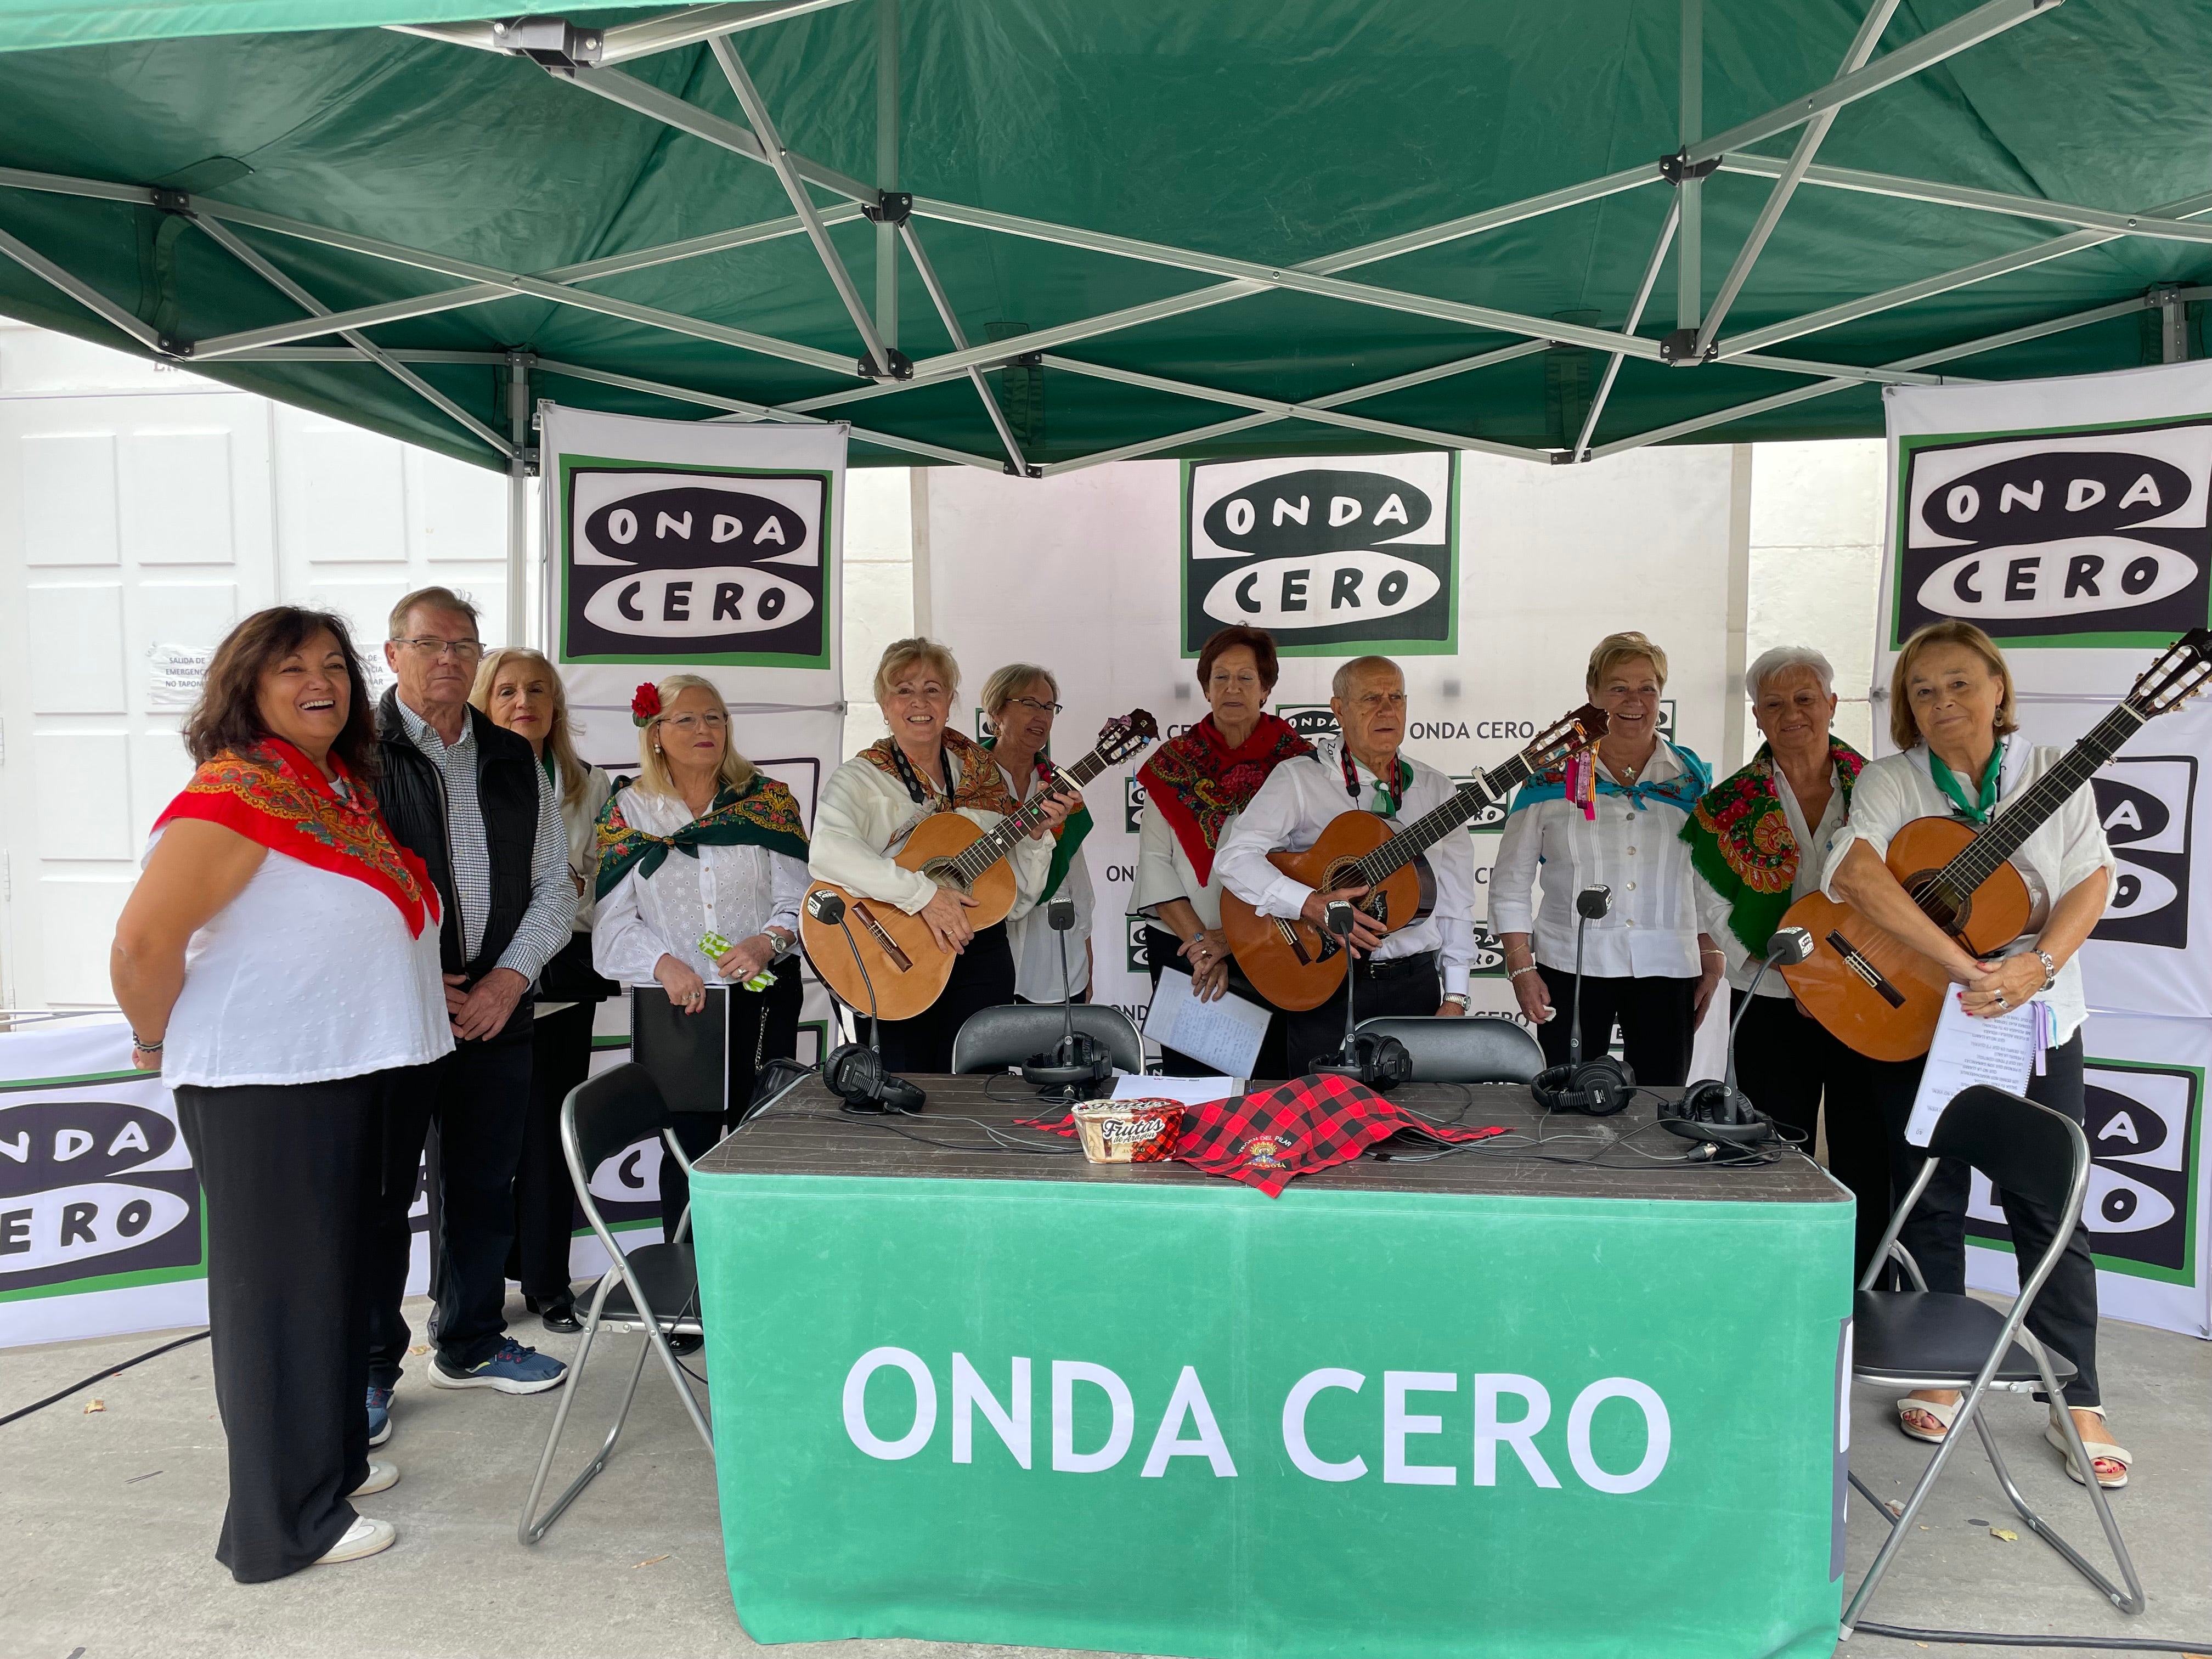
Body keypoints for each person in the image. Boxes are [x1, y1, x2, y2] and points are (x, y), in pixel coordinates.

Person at [110, 607, 450, 1577]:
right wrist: (151, 1035)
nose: (324, 680)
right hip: (273, 1081)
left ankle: (331, 1463)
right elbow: (142, 944)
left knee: (341, 1285)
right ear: (245, 687)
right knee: (284, 1302)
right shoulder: (232, 791)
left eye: (335, 665)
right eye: (293, 666)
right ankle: (279, 1523)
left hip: (356, 1067)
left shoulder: (333, 785)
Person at [1821, 619, 2128, 1487]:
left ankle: (2077, 1396)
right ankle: (1937, 1367)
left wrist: (2036, 963)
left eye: (1959, 682)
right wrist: (1964, 965)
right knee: (1928, 1193)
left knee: (2048, 1201)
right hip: (1922, 1011)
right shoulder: (1889, 780)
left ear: (1999, 687)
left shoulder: (2050, 774)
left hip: (2036, 1016)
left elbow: (2088, 879)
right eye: (1923, 690)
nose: (1943, 701)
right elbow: (1857, 876)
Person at [365, 587, 575, 1439]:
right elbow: (345, 895)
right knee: (379, 1200)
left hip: (498, 1009)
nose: (448, 660)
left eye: (463, 645)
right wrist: (418, 978)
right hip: (393, 1012)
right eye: (428, 644)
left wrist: (509, 981)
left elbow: (556, 888)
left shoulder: (514, 755)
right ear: (392, 654)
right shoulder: (355, 753)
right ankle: (371, 1370)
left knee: (485, 1185)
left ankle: (471, 1342)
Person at [593, 674, 808, 1266]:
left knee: (757, 1145)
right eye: (686, 719)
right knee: (684, 1152)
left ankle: (759, 1278)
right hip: (680, 1010)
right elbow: (611, 924)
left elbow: (801, 900)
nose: (704, 729)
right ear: (655, 733)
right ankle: (688, 1285)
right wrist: (662, 964)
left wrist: (768, 940)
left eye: (714, 717)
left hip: (762, 996)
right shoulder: (630, 810)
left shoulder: (766, 801)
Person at [1683, 646, 1884, 1274]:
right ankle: (1772, 1276)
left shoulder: (1883, 787)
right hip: (1771, 998)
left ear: (1831, 704)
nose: (1791, 713)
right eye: (1775, 703)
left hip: (1872, 994)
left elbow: (1902, 884)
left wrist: (1833, 978)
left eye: (1804, 699)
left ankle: (1867, 1282)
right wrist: (1799, 973)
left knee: (1867, 1148)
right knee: (1771, 1142)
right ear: (1757, 716)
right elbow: (1713, 906)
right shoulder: (1726, 807)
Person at [808, 639, 1070, 1073]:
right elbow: (830, 853)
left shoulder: (981, 775)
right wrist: (923, 895)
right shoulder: (861, 776)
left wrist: (1036, 838)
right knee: (905, 1086)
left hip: (979, 952)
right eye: (904, 690)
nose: (919, 702)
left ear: (950, 702)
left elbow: (1016, 897)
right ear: (884, 703)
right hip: (893, 951)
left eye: (933, 689)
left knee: (980, 1087)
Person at [1215, 655, 1476, 1077]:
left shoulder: (1437, 789)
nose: (1387, 710)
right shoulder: (1299, 779)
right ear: (1339, 710)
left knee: (1418, 1121)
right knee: (1320, 1122)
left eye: (1396, 698)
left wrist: (1457, 995)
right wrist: (1307, 904)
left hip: (1414, 986)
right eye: (1371, 698)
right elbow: (1233, 859)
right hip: (1322, 981)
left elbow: (1458, 900)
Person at [1493, 630, 1723, 1086]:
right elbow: (1511, 880)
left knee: (1660, 1105)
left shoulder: (1691, 780)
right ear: (1592, 694)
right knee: (1567, 1105)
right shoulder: (1550, 775)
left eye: (1647, 688)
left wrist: (1711, 954)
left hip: (1668, 964)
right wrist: (1521, 966)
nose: (1633, 700)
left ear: (1661, 696)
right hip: (1572, 965)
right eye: (1618, 687)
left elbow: (1705, 878)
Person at [471, 646, 612, 1336]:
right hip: (479, 984)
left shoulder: (592, 785)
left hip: (561, 979)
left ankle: (549, 1284)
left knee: (551, 1141)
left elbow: (599, 886)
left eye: (537, 690)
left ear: (556, 705)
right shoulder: (460, 776)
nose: (522, 702)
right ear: (483, 702)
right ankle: (470, 1296)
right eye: (505, 692)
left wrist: (570, 896)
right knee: (481, 1144)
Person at [1133, 625, 1310, 1077]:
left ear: (1266, 688)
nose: (1232, 688)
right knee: (1196, 1089)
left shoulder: (1299, 764)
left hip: (1277, 944)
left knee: (1273, 1088)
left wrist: (1234, 942)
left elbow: (1312, 865)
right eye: (1220, 677)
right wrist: (1201, 945)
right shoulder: (1173, 764)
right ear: (1206, 688)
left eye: (1246, 678)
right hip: (1185, 948)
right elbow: (1155, 862)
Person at [982, 663, 1097, 1006]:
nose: (1042, 716)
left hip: (1053, 956)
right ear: (997, 711)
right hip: (985, 943)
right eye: (1030, 704)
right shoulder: (965, 779)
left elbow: (1077, 882)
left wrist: (1087, 960)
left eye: (1049, 708)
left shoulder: (1059, 788)